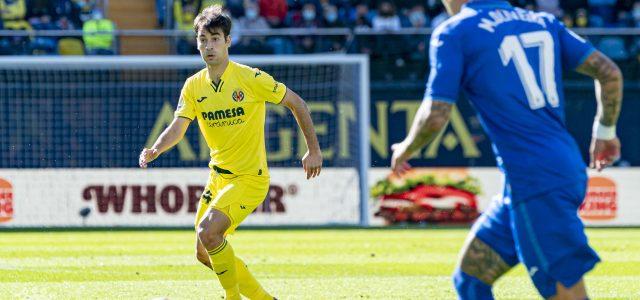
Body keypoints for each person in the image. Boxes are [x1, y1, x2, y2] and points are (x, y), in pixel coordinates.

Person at [390, 0, 623, 299]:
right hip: (540, 175)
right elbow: (609, 72)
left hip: (536, 179)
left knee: (565, 293)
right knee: (471, 278)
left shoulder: (456, 31)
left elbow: (436, 113)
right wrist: (605, 132)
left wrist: (406, 148)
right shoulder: (542, 22)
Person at [139, 5, 322, 299]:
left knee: (209, 233)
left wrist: (313, 150)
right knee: (203, 252)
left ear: (228, 42)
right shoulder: (193, 85)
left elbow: (297, 103)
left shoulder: (250, 78)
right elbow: (179, 124)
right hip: (218, 178)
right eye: (203, 40)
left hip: (250, 178)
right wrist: (156, 148)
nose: (208, 46)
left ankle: (232, 297)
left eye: (215, 39)